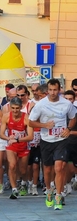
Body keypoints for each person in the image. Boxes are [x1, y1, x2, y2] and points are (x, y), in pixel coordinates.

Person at [29, 78, 77, 210]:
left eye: (55, 90)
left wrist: (68, 129)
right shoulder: (40, 104)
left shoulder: (66, 103)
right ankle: (49, 190)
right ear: (47, 90)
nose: (52, 92)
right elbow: (31, 122)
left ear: (59, 89)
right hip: (46, 139)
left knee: (59, 168)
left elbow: (73, 117)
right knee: (48, 169)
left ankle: (58, 195)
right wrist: (45, 125)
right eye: (50, 90)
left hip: (61, 140)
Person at [0, 97, 34, 199]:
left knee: (23, 170)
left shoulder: (26, 118)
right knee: (12, 165)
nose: (15, 111)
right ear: (10, 107)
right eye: (13, 108)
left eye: (17, 108)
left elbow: (30, 136)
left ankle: (23, 182)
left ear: (21, 107)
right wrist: (8, 138)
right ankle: (14, 189)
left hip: (23, 146)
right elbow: (1, 134)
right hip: (11, 145)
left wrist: (18, 140)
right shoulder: (6, 117)